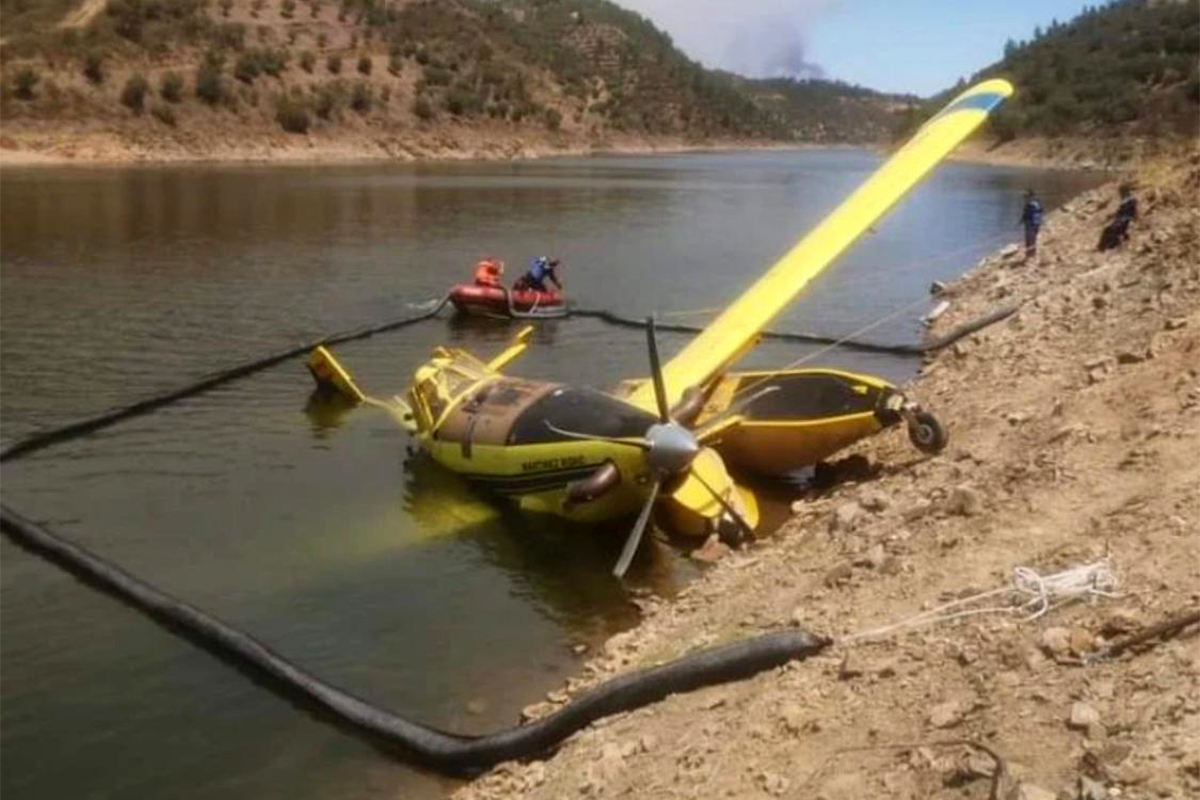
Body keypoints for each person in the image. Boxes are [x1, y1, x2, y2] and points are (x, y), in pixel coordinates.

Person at [1098, 185, 1137, 252]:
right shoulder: (1126, 201)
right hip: (1121, 219)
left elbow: (1129, 213)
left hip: (1124, 220)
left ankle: (1106, 246)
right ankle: (1104, 246)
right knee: (1108, 229)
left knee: (1109, 230)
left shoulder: (1129, 202)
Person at [1019, 189, 1043, 260]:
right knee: (1031, 239)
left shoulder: (1032, 205)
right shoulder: (1034, 204)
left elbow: (1034, 215)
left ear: (1031, 196)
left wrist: (1034, 225)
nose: (1025, 198)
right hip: (1032, 224)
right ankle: (1031, 254)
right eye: (1024, 197)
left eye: (1026, 196)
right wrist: (1022, 219)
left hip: (1031, 225)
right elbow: (1026, 214)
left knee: (1030, 240)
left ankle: (1030, 255)